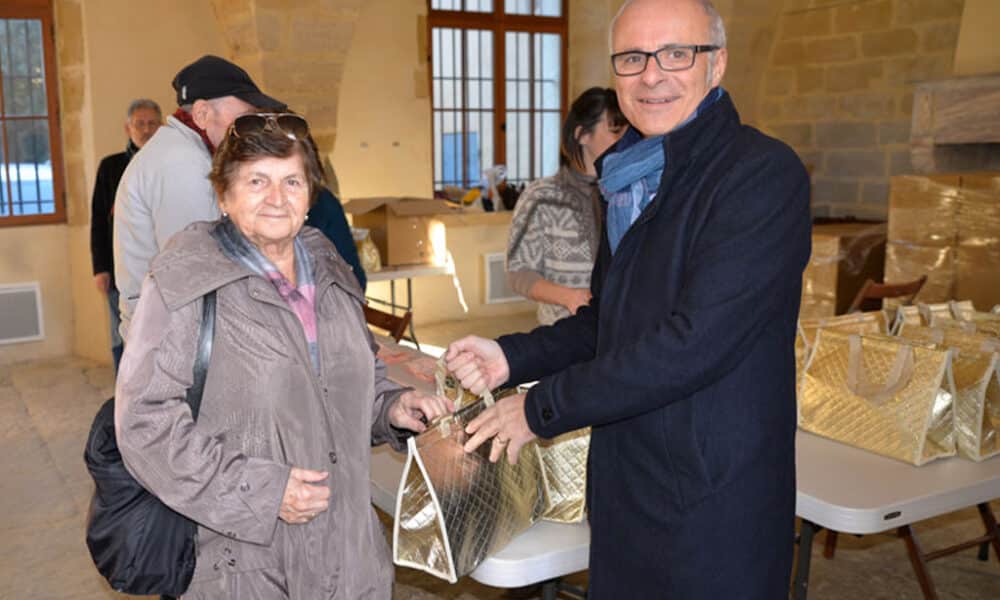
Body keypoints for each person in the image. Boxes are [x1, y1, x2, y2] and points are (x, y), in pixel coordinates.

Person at [446, 0, 811, 597]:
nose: (651, 75)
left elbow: (694, 343)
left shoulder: (759, 174)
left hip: (710, 497)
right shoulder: (630, 179)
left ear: (716, 63)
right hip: (628, 480)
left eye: (676, 54)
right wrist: (510, 357)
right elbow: (610, 322)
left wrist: (540, 408)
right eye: (633, 58)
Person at [115, 113, 452, 599]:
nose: (277, 197)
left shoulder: (328, 266)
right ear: (223, 195)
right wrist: (264, 492)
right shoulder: (186, 279)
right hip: (249, 565)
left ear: (310, 194)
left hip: (353, 556)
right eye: (257, 181)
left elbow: (350, 376)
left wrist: (391, 406)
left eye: (292, 181)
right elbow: (144, 422)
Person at [114, 55, 285, 340]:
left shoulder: (181, 151)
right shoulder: (184, 162)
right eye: (244, 118)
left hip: (171, 328)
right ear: (202, 113)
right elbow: (196, 271)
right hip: (174, 336)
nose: (249, 130)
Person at [506, 88, 627, 325]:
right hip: (563, 331)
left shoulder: (631, 192)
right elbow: (518, 271)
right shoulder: (542, 197)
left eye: (628, 131)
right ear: (582, 134)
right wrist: (570, 297)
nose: (625, 140)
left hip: (622, 332)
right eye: (615, 131)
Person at [90, 98, 161, 372]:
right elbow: (98, 220)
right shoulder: (110, 167)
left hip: (160, 263)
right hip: (120, 266)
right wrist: (100, 268)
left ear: (161, 126)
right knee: (123, 335)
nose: (146, 130)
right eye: (139, 124)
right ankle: (124, 392)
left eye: (152, 123)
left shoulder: (168, 164)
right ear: (127, 128)